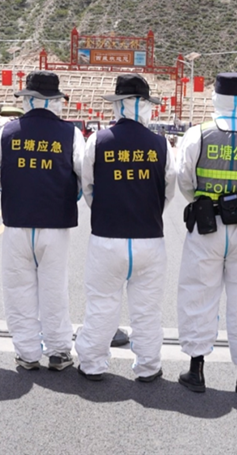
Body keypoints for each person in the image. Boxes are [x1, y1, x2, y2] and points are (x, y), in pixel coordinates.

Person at [175, 72, 237, 393]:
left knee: (198, 293)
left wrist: (205, 202)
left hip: (206, 225)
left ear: (215, 98)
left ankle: (196, 370)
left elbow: (185, 180)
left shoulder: (197, 135)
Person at [75, 74, 176, 382]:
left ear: (117, 104)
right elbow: (168, 191)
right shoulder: (161, 144)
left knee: (102, 305)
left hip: (107, 238)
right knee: (147, 310)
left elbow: (88, 186)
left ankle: (92, 364)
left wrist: (107, 208)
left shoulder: (98, 141)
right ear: (146, 105)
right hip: (149, 239)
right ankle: (149, 366)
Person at [0, 71, 84, 371]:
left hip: (17, 222)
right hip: (56, 223)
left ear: (27, 99)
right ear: (55, 100)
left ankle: (27, 353)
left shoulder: (7, 132)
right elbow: (83, 175)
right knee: (54, 288)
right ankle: (59, 351)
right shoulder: (70, 133)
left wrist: (17, 191)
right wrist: (67, 195)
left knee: (18, 289)